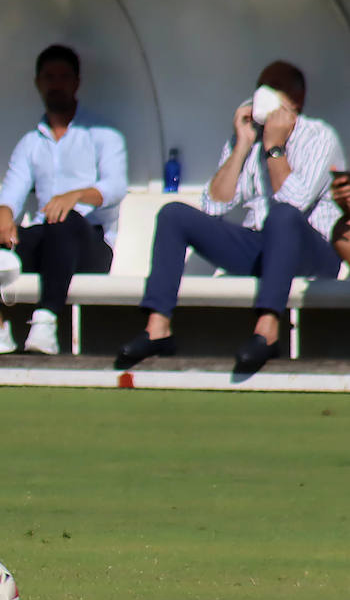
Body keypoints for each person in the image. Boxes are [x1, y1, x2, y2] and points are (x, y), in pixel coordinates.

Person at [114, 61, 345, 375]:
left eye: (275, 87)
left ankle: (266, 331)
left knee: (282, 216)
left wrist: (275, 147)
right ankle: (158, 328)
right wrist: (242, 145)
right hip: (260, 247)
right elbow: (213, 206)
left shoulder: (319, 136)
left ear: (296, 99)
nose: (264, 94)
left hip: (311, 250)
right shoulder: (246, 138)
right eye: (261, 86)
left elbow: (294, 201)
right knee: (174, 215)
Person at [0, 44, 127, 356]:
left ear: (76, 82)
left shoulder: (102, 134)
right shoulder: (31, 142)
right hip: (46, 241)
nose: (55, 84)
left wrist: (75, 196)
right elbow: (11, 193)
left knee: (64, 218)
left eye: (63, 77)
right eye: (49, 77)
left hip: (88, 245)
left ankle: (46, 323)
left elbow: (114, 188)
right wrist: (3, 213)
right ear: (38, 83)